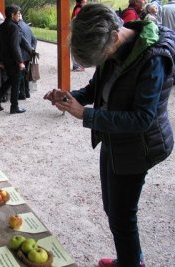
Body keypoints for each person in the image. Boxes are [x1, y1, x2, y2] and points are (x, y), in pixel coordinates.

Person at [44, 4, 174, 267]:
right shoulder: (112, 44)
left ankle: (131, 263)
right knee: (112, 209)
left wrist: (87, 116)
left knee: (122, 216)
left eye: (101, 55)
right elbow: (96, 88)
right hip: (114, 138)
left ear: (115, 36)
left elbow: (143, 118)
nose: (101, 60)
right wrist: (70, 98)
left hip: (139, 146)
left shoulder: (154, 57)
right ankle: (127, 258)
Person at [0, 4, 27, 114]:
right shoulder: (14, 28)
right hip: (13, 60)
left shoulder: (1, 26)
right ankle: (14, 107)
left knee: (11, 80)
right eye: (18, 14)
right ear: (12, 15)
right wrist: (20, 62)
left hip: (5, 60)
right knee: (16, 82)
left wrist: (0, 60)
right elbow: (15, 47)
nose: (19, 16)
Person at [18, 14, 37, 99]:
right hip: (28, 55)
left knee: (21, 75)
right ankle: (27, 92)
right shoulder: (27, 26)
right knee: (25, 74)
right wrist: (32, 49)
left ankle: (22, 94)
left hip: (21, 55)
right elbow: (34, 40)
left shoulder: (17, 27)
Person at [71, 0, 88, 72]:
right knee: (78, 48)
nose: (86, 1)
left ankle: (79, 65)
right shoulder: (79, 9)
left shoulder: (79, 8)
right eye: (85, 1)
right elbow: (75, 20)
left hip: (78, 31)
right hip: (78, 32)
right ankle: (78, 66)